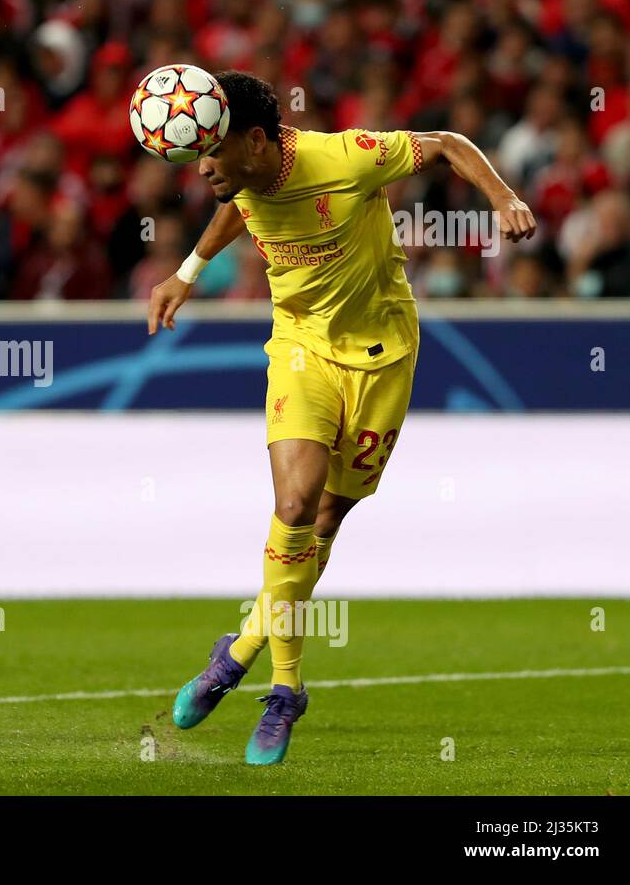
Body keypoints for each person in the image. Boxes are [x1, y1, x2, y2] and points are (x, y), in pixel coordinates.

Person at [147, 71, 536, 765]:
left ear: (259, 141)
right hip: (300, 347)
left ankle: (239, 646)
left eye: (214, 151)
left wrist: (501, 196)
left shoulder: (346, 156)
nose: (201, 166)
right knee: (294, 504)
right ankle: (285, 690)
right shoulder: (240, 180)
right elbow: (241, 204)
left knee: (325, 521)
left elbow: (444, 144)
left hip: (382, 354)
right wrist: (188, 270)